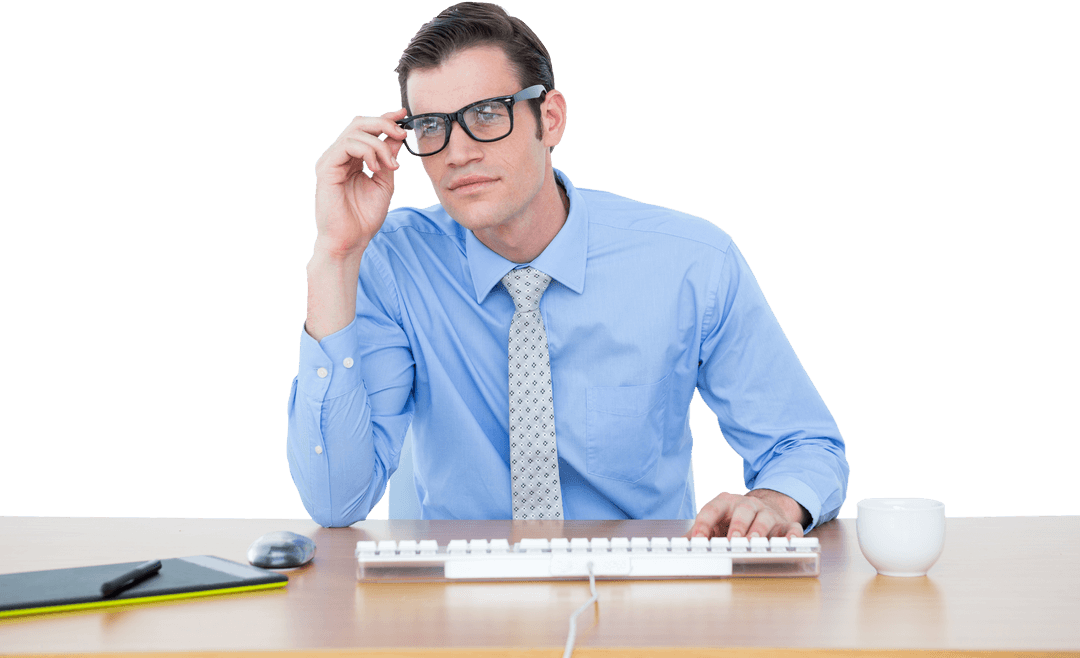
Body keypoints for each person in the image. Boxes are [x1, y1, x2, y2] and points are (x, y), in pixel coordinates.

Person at [287, 1, 849, 539]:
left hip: (639, 605)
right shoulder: (393, 261)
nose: (457, 153)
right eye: (432, 127)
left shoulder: (690, 262)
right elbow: (338, 501)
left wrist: (773, 503)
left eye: (487, 115)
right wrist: (334, 255)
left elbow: (804, 444)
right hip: (455, 608)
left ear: (549, 119)